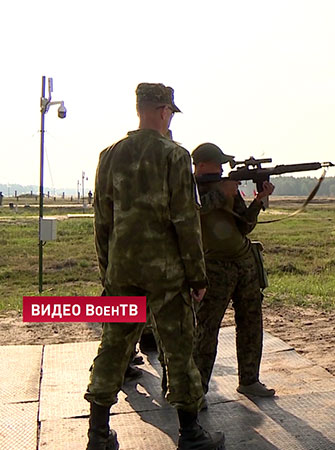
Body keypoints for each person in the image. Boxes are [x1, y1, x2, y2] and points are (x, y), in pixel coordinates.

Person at [86, 83, 224, 450]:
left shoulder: (109, 155)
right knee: (178, 348)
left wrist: (108, 274)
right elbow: (185, 221)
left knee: (114, 346)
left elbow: (102, 221)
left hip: (123, 272)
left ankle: (98, 433)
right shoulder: (175, 156)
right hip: (166, 275)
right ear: (164, 111)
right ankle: (191, 434)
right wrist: (197, 275)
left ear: (138, 110)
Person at [191, 142, 275, 404]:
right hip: (213, 268)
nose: (223, 169)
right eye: (218, 164)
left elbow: (245, 226)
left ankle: (249, 380)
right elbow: (190, 210)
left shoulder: (227, 187)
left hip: (244, 263)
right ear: (202, 165)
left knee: (251, 322)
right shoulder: (188, 187)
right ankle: (196, 391)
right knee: (206, 329)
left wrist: (258, 201)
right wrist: (220, 194)